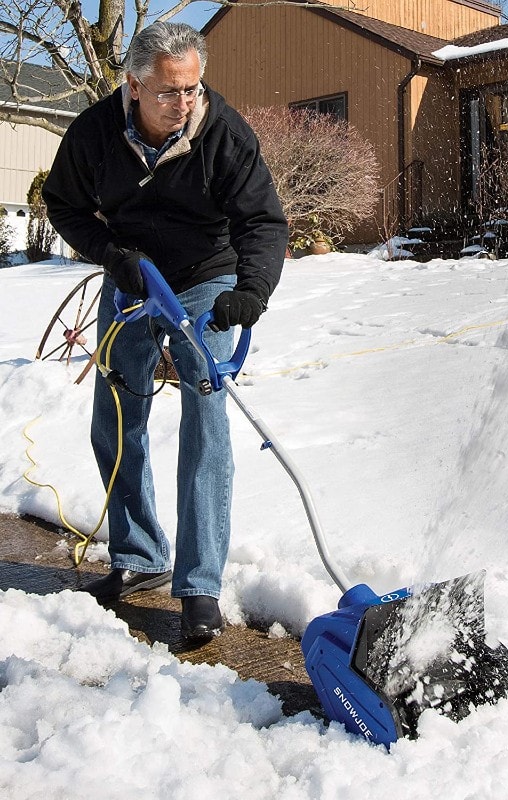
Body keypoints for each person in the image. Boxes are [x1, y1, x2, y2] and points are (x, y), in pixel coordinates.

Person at [42, 22, 288, 641]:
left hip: (206, 275)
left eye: (192, 89)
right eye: (169, 92)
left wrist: (250, 290)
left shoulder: (223, 134)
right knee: (117, 417)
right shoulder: (95, 132)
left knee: (207, 419)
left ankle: (200, 584)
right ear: (134, 85)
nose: (184, 104)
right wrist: (109, 253)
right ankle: (139, 556)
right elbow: (64, 204)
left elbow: (263, 221)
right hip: (132, 274)